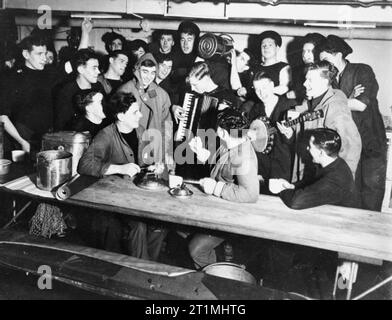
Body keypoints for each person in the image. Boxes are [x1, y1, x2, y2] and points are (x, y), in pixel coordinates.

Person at [78, 92, 166, 260]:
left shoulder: (139, 131)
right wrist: (120, 168)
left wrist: (152, 167)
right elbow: (85, 165)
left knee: (160, 225)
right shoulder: (106, 135)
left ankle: (150, 267)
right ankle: (141, 271)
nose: (140, 115)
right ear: (120, 116)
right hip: (114, 201)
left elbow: (142, 163)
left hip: (137, 194)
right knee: (139, 226)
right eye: (135, 112)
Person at [319, 35, 387, 212]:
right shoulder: (329, 79)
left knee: (371, 192)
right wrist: (346, 98)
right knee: (349, 194)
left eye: (326, 59)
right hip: (346, 145)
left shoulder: (362, 71)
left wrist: (337, 101)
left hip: (370, 143)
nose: (324, 65)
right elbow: (319, 106)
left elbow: (360, 104)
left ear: (339, 54)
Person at [187, 108, 259, 269]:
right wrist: (202, 153)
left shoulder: (242, 156)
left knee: (196, 250)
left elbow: (250, 194)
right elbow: (221, 165)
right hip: (219, 206)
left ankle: (217, 279)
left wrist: (216, 188)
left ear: (223, 132)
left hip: (233, 214)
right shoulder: (233, 141)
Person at [278, 60, 361, 184]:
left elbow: (351, 147)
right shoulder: (310, 103)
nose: (305, 83)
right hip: (307, 174)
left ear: (325, 81)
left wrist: (342, 182)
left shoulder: (335, 107)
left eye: (310, 80)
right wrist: (290, 135)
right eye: (306, 79)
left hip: (326, 180)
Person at [270, 128, 359, 209]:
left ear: (321, 153)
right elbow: (312, 182)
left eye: (310, 147)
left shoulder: (335, 180)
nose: (307, 149)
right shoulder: (333, 163)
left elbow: (295, 202)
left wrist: (281, 190)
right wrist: (292, 186)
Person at [0, 35, 57, 154]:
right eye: (39, 54)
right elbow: (2, 116)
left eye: (45, 53)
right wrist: (21, 142)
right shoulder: (12, 79)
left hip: (46, 139)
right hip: (22, 141)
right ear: (26, 54)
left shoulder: (49, 74)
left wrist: (86, 33)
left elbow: (76, 64)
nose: (44, 58)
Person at [117, 53, 173, 169]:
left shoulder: (161, 94)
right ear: (137, 70)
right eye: (145, 72)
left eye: (152, 72)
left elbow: (166, 126)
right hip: (131, 150)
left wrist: (165, 152)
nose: (148, 77)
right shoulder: (125, 90)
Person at [245, 71, 295, 193]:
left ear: (272, 85)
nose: (261, 93)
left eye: (264, 88)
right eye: (257, 90)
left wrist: (290, 135)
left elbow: (298, 140)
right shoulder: (256, 109)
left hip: (282, 165)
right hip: (260, 165)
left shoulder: (289, 106)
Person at [54, 48, 104, 131]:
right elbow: (61, 125)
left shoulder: (98, 87)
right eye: (94, 68)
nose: (98, 71)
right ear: (81, 69)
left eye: (98, 67)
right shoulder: (66, 92)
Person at [288, 33, 326, 102]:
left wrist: (298, 94)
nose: (305, 55)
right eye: (303, 51)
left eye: (309, 51)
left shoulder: (327, 71)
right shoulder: (298, 71)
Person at [255, 30, 291, 96]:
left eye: (270, 45)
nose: (266, 48)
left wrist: (264, 91)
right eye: (263, 45)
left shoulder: (284, 67)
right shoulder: (255, 67)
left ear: (277, 48)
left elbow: (284, 88)